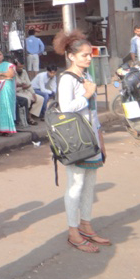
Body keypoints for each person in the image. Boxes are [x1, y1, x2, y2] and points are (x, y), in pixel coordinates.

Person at [53, 30, 109, 254]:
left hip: (92, 138)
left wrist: (101, 138)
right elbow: (66, 109)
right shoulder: (67, 79)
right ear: (71, 56)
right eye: (84, 55)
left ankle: (86, 225)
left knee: (90, 184)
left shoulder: (88, 77)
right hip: (75, 141)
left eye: (90, 54)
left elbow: (93, 113)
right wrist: (86, 95)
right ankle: (73, 231)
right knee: (75, 185)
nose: (88, 58)